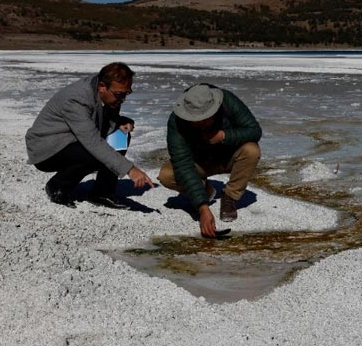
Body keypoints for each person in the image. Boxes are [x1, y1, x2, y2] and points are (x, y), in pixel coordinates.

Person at [25, 62, 154, 209]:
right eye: (119, 94)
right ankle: (57, 186)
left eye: (126, 93)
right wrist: (130, 169)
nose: (123, 99)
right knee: (93, 153)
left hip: (73, 139)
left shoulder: (108, 91)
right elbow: (92, 141)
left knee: (121, 135)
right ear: (102, 87)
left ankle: (102, 192)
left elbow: (101, 122)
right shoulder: (76, 99)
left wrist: (120, 122)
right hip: (47, 147)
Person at [159, 83, 262, 237]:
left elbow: (254, 130)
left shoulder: (228, 101)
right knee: (167, 175)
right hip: (200, 162)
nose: (200, 124)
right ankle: (204, 190)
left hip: (229, 157)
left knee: (252, 150)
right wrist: (203, 208)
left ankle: (230, 196)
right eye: (195, 120)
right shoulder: (176, 121)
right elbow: (182, 163)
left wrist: (224, 136)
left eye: (204, 119)